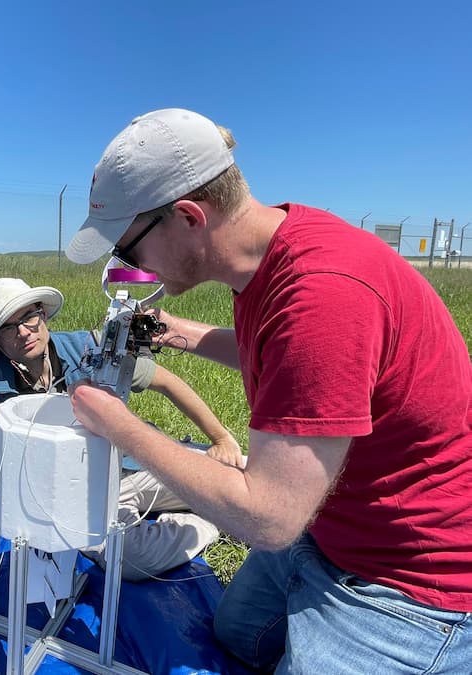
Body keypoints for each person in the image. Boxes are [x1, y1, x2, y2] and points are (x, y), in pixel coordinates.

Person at [64, 108, 472, 673]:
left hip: (408, 577)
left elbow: (270, 518)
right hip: (330, 528)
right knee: (237, 635)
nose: (127, 265)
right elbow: (277, 351)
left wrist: (119, 423)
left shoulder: (323, 296)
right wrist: (171, 332)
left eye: (128, 251)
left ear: (188, 217)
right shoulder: (271, 255)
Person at [0, 277, 242, 581]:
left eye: (29, 316)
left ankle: (210, 500)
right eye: (9, 327)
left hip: (136, 462)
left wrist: (221, 438)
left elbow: (167, 383)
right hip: (80, 493)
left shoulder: (89, 347)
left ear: (43, 314)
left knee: (237, 477)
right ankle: (206, 520)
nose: (24, 332)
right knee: (129, 559)